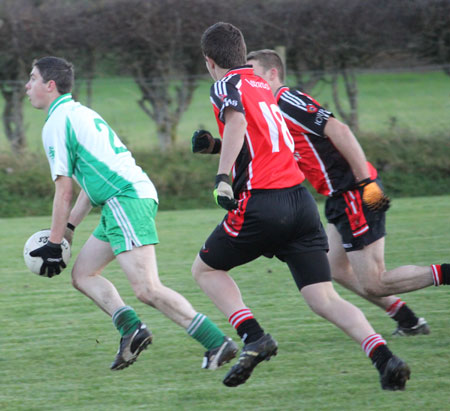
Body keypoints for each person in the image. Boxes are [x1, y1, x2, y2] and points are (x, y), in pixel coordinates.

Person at [192, 22, 410, 390]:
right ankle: (385, 358)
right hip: (300, 202)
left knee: (205, 270)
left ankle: (254, 336)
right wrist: (215, 146)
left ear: (210, 61)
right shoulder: (264, 86)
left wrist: (222, 176)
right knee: (323, 297)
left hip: (263, 201)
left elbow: (237, 121)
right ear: (243, 53)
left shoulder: (225, 84)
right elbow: (258, 137)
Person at [25, 56, 238, 372]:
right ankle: (132, 330)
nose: (27, 86)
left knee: (147, 288)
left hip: (125, 199)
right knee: (83, 275)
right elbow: (89, 183)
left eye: (32, 78)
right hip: (120, 201)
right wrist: (68, 227)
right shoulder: (77, 112)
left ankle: (217, 343)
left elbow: (64, 190)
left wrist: (55, 243)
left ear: (50, 85)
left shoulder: (57, 122)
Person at [243, 49, 449, 329]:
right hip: (339, 197)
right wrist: (215, 147)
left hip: (354, 192)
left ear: (273, 73)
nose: (249, 81)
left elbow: (340, 130)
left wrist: (365, 184)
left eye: (253, 73)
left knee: (376, 282)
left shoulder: (285, 100)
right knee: (334, 266)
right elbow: (267, 151)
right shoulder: (270, 110)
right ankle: (407, 320)